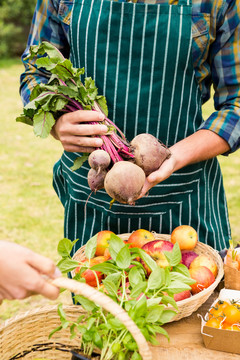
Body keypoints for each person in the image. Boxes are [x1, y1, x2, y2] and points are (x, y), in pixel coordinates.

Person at [20, 0, 240, 253]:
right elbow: (36, 71)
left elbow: (236, 103)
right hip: (92, 194)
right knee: (98, 287)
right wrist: (57, 123)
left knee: (197, 287)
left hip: (186, 199)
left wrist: (174, 156)